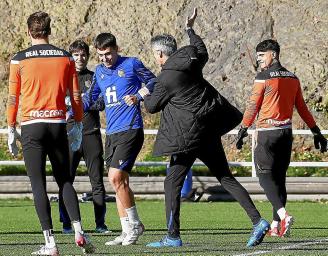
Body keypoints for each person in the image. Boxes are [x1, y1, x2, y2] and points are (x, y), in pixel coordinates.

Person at [144, 8, 269, 248]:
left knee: (171, 183)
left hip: (186, 138)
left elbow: (151, 107)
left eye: (155, 54)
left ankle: (172, 236)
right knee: (225, 177)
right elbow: (202, 49)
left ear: (160, 54)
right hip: (208, 131)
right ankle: (257, 220)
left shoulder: (166, 77)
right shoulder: (192, 61)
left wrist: (142, 93)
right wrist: (190, 29)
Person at [6, 11, 94, 255]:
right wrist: (77, 122)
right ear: (49, 30)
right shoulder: (65, 58)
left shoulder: (19, 59)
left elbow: (13, 97)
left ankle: (50, 243)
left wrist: (10, 127)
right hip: (57, 124)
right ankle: (79, 232)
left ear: (28, 32)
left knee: (38, 185)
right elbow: (75, 95)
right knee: (64, 179)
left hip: (32, 126)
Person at [236, 39, 327, 237]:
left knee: (264, 176)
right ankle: (277, 226)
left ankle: (283, 214)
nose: (259, 60)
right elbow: (301, 107)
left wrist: (243, 128)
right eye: (258, 57)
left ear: (274, 55)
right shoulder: (293, 78)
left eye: (262, 56)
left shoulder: (263, 77)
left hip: (267, 134)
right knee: (279, 178)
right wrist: (316, 131)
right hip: (286, 134)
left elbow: (253, 106)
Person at [78, 32, 156, 246]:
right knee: (119, 183)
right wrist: (68, 110)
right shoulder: (100, 73)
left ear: (116, 49)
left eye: (108, 54)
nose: (105, 58)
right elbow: (90, 99)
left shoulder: (132, 64)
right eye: (101, 55)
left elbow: (154, 82)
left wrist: (138, 96)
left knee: (115, 177)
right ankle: (125, 230)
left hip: (131, 128)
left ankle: (136, 224)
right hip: (111, 133)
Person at [58, 39, 109, 234]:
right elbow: (59, 104)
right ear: (71, 56)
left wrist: (79, 104)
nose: (80, 58)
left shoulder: (95, 77)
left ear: (88, 56)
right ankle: (66, 223)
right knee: (66, 180)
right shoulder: (62, 77)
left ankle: (100, 224)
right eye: (76, 55)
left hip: (91, 135)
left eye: (83, 54)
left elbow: (102, 102)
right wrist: (73, 104)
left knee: (97, 181)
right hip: (69, 136)